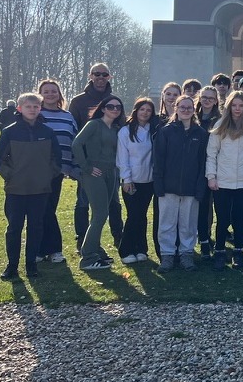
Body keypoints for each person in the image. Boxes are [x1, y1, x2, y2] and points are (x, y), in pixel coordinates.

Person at [0, 93, 61, 280]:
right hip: (16, 190)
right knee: (14, 228)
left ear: (40, 108)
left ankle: (31, 265)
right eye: (28, 106)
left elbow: (56, 159)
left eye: (36, 106)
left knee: (36, 227)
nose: (32, 110)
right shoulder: (10, 132)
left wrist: (47, 176)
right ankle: (12, 266)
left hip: (40, 190)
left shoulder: (47, 132)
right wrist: (12, 177)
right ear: (19, 108)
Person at [68, 63, 123, 252]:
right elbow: (74, 135)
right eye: (97, 74)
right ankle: (83, 241)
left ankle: (118, 237)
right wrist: (81, 165)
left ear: (109, 77)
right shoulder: (78, 101)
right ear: (90, 76)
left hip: (110, 165)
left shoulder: (114, 101)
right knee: (83, 202)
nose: (100, 77)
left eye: (104, 74)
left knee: (113, 203)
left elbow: (121, 131)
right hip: (89, 164)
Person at [206, 91, 243, 270]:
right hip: (222, 181)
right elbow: (211, 154)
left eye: (241, 106)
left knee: (238, 218)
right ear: (229, 106)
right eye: (234, 105)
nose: (237, 109)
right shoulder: (220, 125)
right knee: (222, 219)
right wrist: (211, 177)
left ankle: (238, 251)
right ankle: (220, 251)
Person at [154, 96, 209, 272]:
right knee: (167, 223)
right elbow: (158, 160)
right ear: (176, 108)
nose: (186, 110)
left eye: (189, 107)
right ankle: (167, 256)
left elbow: (203, 163)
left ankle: (186, 254)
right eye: (182, 107)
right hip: (168, 187)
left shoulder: (200, 134)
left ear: (194, 110)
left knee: (188, 224)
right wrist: (159, 184)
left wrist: (201, 187)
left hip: (191, 188)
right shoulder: (166, 132)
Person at [72, 95, 125, 270]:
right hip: (95, 173)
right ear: (103, 108)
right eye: (110, 106)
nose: (115, 110)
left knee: (102, 213)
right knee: (100, 214)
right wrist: (86, 167)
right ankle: (87, 257)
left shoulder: (117, 128)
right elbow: (77, 144)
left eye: (118, 107)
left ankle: (96, 251)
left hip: (112, 173)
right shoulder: (93, 125)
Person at [37, 79, 79, 264]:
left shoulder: (67, 116)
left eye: (54, 91)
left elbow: (74, 141)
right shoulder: (36, 114)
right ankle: (47, 249)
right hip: (36, 169)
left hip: (58, 170)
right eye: (46, 91)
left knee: (49, 207)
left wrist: (73, 166)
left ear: (59, 94)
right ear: (40, 94)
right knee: (41, 209)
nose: (50, 94)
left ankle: (46, 249)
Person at [117, 98, 158, 264]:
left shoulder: (153, 130)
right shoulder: (125, 132)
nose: (145, 113)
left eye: (148, 110)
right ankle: (125, 249)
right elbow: (122, 157)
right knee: (133, 215)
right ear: (136, 111)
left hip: (148, 181)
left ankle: (141, 249)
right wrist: (126, 179)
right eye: (142, 109)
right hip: (131, 180)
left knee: (141, 216)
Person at [194, 86, 221, 256]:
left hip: (217, 167)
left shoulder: (220, 119)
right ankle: (204, 240)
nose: (207, 100)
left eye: (211, 98)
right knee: (202, 207)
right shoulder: (193, 116)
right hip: (196, 167)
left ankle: (219, 243)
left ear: (216, 100)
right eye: (204, 97)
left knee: (219, 207)